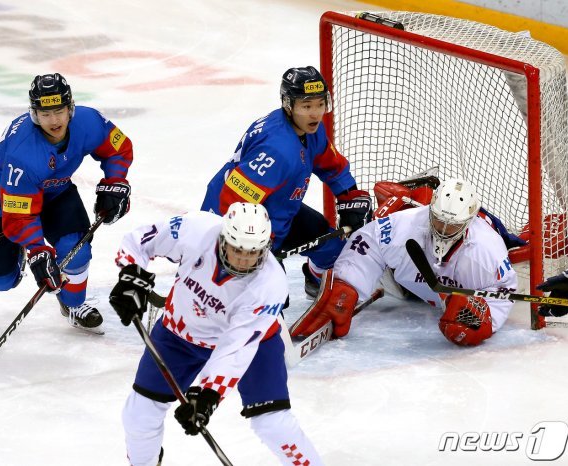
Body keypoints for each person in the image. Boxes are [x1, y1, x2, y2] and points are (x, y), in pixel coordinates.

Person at [109, 202, 324, 466]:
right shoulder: (195, 229)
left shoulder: (270, 284)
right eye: (237, 250)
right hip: (180, 334)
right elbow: (140, 241)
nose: (244, 260)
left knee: (273, 424)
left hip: (254, 346)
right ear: (223, 238)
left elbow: (236, 347)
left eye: (253, 253)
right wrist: (131, 276)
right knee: (139, 414)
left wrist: (209, 394)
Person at [0, 73, 133, 333]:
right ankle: (19, 251)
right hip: (1, 205)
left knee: (77, 249)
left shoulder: (89, 121)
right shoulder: (24, 154)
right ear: (35, 114)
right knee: (0, 282)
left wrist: (115, 180)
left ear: (70, 109)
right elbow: (18, 217)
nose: (54, 120)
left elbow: (119, 148)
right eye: (45, 114)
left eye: (59, 111)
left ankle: (72, 304)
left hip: (54, 193)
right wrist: (36, 249)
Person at [201, 66, 372, 298]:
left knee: (334, 251)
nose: (315, 114)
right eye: (307, 106)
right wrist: (251, 244)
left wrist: (348, 195)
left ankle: (316, 279)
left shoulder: (310, 130)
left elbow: (330, 164)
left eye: (320, 104)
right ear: (289, 105)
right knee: (272, 299)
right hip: (238, 225)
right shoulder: (276, 150)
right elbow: (232, 202)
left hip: (279, 207)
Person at [291, 178, 519, 347]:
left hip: (427, 286)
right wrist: (348, 285)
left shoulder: (487, 250)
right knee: (358, 236)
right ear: (430, 211)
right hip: (407, 281)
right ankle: (315, 273)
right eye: (439, 222)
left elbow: (504, 288)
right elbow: (369, 240)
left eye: (453, 226)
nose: (445, 231)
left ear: (468, 223)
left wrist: (486, 319)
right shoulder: (408, 225)